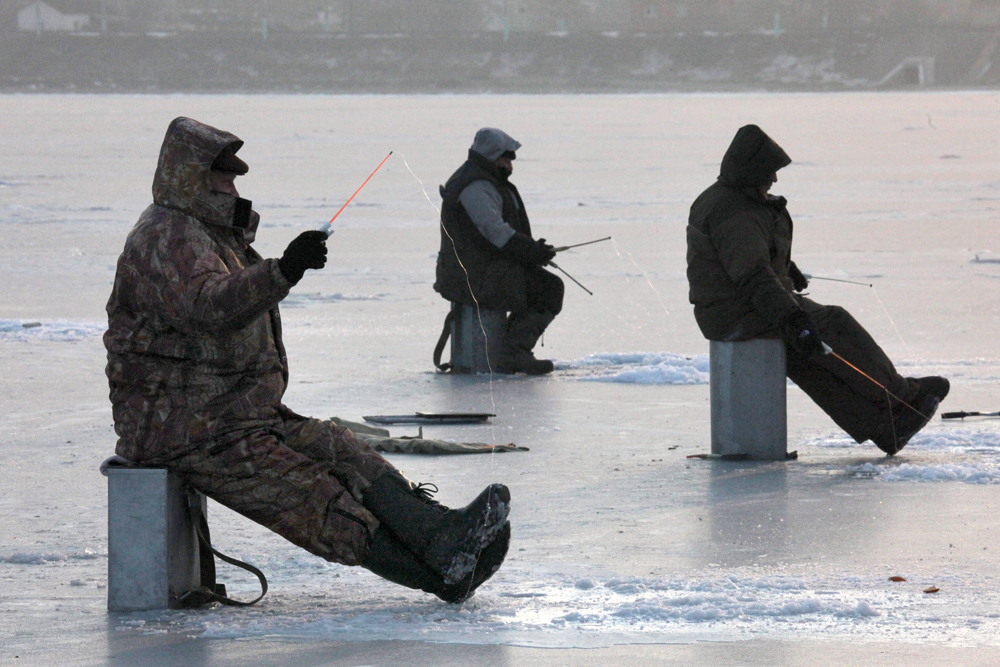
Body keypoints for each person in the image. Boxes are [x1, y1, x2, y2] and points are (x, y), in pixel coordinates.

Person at [104, 116, 511, 604]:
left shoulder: (208, 233)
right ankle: (440, 573)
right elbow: (209, 305)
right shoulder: (166, 237)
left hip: (231, 414)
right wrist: (285, 268)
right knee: (310, 497)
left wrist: (281, 268)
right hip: (184, 429)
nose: (232, 188)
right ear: (191, 177)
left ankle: (441, 537)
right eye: (223, 178)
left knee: (341, 449)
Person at [686, 124, 949, 456]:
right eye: (770, 172)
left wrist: (784, 268)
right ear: (752, 170)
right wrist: (796, 320)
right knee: (832, 323)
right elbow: (752, 274)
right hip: (737, 311)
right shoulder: (736, 211)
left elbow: (745, 259)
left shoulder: (730, 199)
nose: (775, 180)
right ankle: (901, 396)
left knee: (804, 356)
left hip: (728, 309)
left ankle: (884, 425)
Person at [434, 127, 564, 375]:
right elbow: (495, 232)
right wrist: (531, 251)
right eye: (508, 158)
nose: (511, 164)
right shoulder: (477, 185)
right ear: (496, 156)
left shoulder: (479, 178)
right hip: (475, 275)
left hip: (476, 270)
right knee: (549, 288)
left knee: (540, 284)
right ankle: (513, 353)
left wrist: (533, 251)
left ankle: (512, 350)